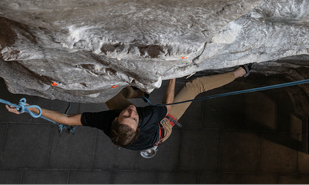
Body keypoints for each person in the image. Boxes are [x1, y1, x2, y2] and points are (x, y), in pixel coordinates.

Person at [4, 65, 252, 153]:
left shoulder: (106, 122)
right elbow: (168, 102)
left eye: (127, 114)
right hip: (162, 127)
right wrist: (175, 73)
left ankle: (141, 91)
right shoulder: (147, 119)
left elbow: (68, 120)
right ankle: (240, 72)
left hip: (136, 126)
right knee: (195, 85)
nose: (131, 112)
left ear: (115, 120)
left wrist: (30, 109)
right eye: (131, 115)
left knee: (110, 92)